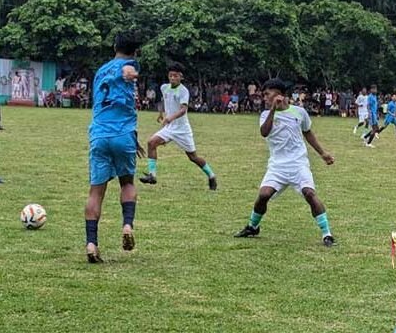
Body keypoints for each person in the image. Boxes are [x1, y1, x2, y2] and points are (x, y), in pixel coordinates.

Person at [233, 78, 336, 247]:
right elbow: (264, 132)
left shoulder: (299, 112)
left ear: (279, 94)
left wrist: (322, 153)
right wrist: (273, 109)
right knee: (263, 195)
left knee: (309, 193)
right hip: (277, 166)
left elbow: (308, 133)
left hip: (298, 164)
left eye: (267, 94)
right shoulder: (266, 114)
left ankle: (327, 234)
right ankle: (253, 226)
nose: (264, 98)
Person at [83, 32, 145, 264]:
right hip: (123, 134)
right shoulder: (130, 64)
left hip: (99, 134)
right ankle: (127, 225)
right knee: (127, 182)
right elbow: (128, 70)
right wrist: (131, 72)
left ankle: (91, 243)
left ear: (114, 46)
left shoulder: (100, 71)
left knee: (95, 191)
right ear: (135, 51)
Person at [140, 62, 217, 190]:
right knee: (151, 143)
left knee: (193, 157)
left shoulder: (183, 91)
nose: (172, 78)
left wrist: (170, 117)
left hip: (182, 129)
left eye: (175, 76)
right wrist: (161, 113)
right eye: (170, 75)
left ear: (181, 77)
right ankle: (152, 175)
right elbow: (163, 100)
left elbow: (183, 110)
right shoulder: (164, 87)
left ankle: (211, 176)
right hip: (169, 128)